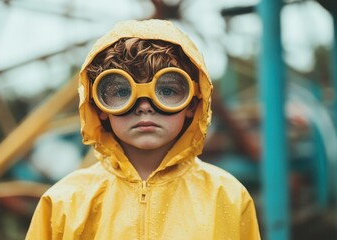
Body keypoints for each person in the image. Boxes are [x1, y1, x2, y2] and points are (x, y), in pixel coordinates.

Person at [25, 19, 260, 239]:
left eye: (167, 91)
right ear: (99, 107)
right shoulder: (65, 201)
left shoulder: (226, 196)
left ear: (193, 103)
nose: (145, 106)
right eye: (121, 92)